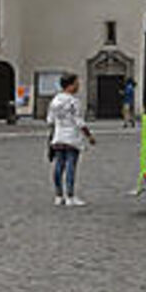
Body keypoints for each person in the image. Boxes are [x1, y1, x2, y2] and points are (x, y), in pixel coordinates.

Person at [47, 71, 95, 206]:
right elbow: (79, 122)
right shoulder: (74, 101)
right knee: (70, 167)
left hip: (58, 136)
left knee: (58, 166)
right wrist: (89, 136)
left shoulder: (55, 101)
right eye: (76, 83)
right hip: (72, 138)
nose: (78, 85)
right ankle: (70, 196)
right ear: (70, 85)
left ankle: (58, 195)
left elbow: (50, 121)